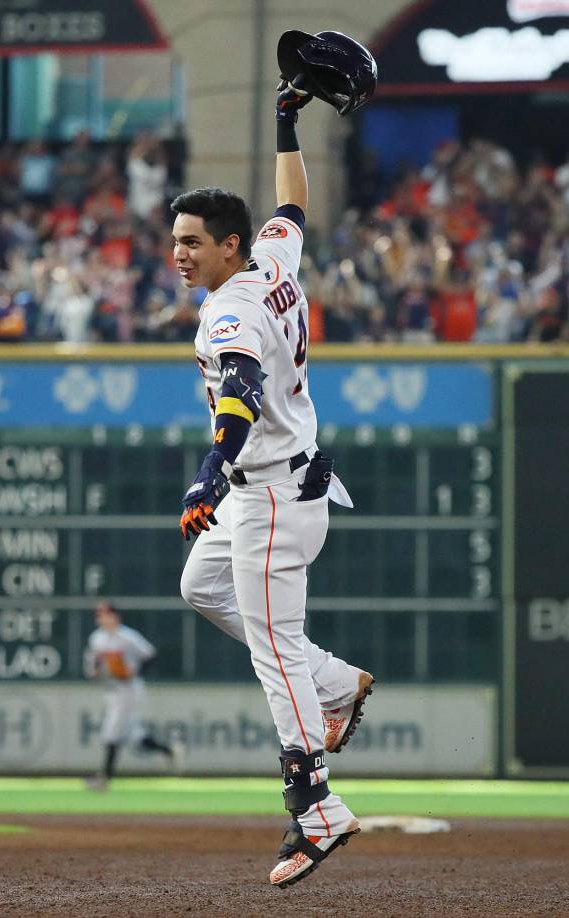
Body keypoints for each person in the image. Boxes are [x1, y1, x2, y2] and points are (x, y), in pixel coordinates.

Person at [174, 75, 374, 888]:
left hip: (266, 497)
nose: (181, 252)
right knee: (200, 586)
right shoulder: (269, 260)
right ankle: (339, 684)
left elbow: (240, 391)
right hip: (296, 484)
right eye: (175, 240)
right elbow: (292, 206)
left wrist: (208, 473)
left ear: (228, 246)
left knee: (272, 653)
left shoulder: (229, 311)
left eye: (193, 241)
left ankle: (317, 810)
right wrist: (288, 122)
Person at [84, 601, 178, 790]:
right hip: (111, 691)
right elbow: (92, 666)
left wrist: (134, 671)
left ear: (115, 616)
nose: (101, 617)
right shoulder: (97, 639)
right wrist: (94, 670)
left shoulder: (127, 636)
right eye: (99, 614)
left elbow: (150, 655)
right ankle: (168, 750)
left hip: (129, 690)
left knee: (111, 732)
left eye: (105, 613)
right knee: (136, 738)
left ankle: (104, 778)